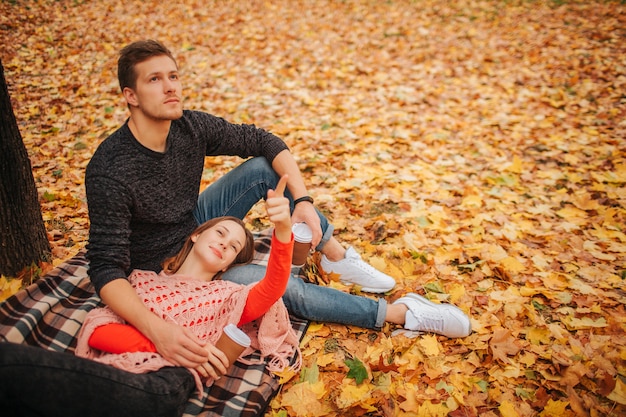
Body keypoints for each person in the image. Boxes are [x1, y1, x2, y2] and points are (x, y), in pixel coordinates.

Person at [84, 39, 471, 374]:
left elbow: (265, 141)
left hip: (194, 223)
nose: (171, 88)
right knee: (285, 289)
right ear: (129, 96)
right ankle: (402, 313)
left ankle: (332, 253)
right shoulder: (111, 170)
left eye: (173, 76)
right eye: (154, 79)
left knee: (261, 168)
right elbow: (105, 267)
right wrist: (157, 329)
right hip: (166, 265)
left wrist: (302, 201)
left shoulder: (190, 127)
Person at [76, 175, 301, 394]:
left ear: (227, 265)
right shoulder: (142, 281)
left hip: (160, 386)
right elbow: (100, 332)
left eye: (233, 247)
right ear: (196, 235)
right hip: (101, 375)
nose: (224, 243)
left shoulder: (228, 297)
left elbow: (272, 288)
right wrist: (168, 346)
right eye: (220, 233)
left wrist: (282, 230)